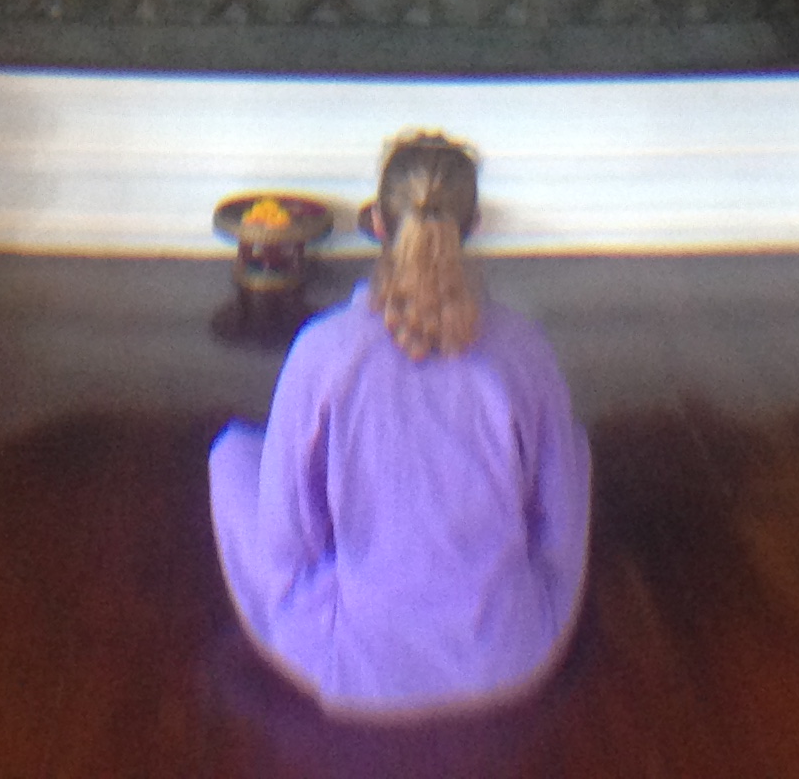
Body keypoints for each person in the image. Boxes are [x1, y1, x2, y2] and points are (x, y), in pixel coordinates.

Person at [209, 133, 591, 720]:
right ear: (474, 225)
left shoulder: (323, 350)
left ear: (376, 224)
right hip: (507, 654)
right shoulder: (524, 349)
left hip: (357, 656)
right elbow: (555, 519)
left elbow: (287, 538)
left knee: (232, 456)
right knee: (573, 449)